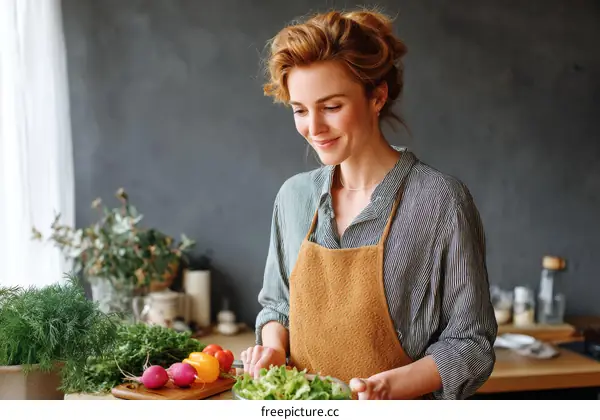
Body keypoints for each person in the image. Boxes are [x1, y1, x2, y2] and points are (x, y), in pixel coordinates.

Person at [240, 8, 498, 400]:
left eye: (331, 107)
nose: (314, 127)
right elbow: (277, 307)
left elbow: (470, 343)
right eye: (299, 110)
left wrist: (388, 387)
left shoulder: (440, 201)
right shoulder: (293, 198)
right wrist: (273, 348)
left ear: (377, 96)